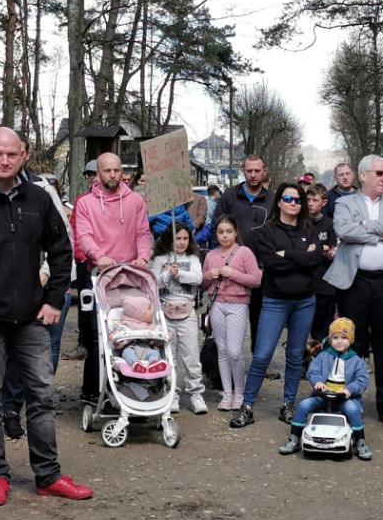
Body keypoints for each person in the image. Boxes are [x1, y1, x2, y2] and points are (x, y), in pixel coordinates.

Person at [0, 127, 92, 506]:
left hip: (32, 316)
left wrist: (54, 299)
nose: (4, 160)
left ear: (24, 155)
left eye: (12, 154)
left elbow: (62, 251)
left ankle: (48, 475)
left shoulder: (38, 198)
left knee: (41, 398)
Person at [324, 154, 383, 429]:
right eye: (380, 173)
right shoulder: (345, 202)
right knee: (352, 343)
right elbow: (343, 230)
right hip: (354, 282)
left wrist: (365, 226)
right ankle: (351, 401)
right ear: (364, 175)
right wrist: (381, 233)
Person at [229, 182, 323, 428]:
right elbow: (272, 264)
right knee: (261, 356)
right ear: (279, 201)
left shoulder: (310, 230)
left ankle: (288, 405)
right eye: (288, 199)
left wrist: (288, 254)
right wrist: (299, 256)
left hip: (305, 301)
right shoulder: (264, 232)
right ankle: (246, 407)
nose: (293, 203)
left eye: (298, 200)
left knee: (294, 356)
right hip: (274, 301)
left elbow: (316, 259)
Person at [73, 151, 153, 404]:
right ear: (98, 173)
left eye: (116, 170)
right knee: (98, 336)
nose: (112, 175)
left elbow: (143, 232)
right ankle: (93, 390)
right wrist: (98, 255)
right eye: (107, 170)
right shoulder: (85, 203)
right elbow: (83, 236)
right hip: (99, 274)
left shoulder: (135, 202)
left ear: (122, 172)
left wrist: (143, 256)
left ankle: (131, 389)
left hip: (129, 276)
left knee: (130, 333)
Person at [278, 317, 373, 460]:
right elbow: (313, 371)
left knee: (353, 411)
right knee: (303, 405)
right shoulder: (323, 356)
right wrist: (317, 382)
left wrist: (350, 390)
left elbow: (363, 379)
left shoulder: (357, 361)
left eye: (344, 338)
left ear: (351, 340)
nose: (339, 341)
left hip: (343, 397)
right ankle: (294, 438)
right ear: (330, 339)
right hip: (323, 394)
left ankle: (360, 441)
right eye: (335, 337)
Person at [212, 155, 275, 350]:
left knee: (259, 318)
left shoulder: (271, 200)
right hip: (230, 269)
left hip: (260, 270)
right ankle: (224, 363)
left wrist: (264, 266)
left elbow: (275, 237)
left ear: (264, 171)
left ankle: (259, 360)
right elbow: (217, 227)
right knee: (228, 318)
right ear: (244, 171)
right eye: (249, 171)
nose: (253, 175)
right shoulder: (230, 196)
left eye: (257, 171)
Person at [202, 215, 262, 410]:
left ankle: (240, 392)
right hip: (217, 303)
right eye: (220, 232)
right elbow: (202, 284)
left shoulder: (244, 253)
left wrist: (233, 274)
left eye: (228, 231)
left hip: (238, 305)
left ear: (236, 232)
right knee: (222, 349)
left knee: (235, 351)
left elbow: (255, 280)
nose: (224, 236)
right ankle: (227, 392)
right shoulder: (211, 256)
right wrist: (208, 277)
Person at [149, 221, 206, 413]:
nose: (181, 242)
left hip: (187, 310)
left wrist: (178, 273)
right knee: (168, 354)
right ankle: (171, 392)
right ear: (169, 239)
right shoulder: (158, 259)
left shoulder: (192, 259)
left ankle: (196, 394)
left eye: (185, 238)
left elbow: (198, 278)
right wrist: (166, 276)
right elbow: (153, 283)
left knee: (191, 354)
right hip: (165, 311)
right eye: (177, 238)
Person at [307, 183, 338, 343]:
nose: (310, 203)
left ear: (324, 202)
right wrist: (323, 249)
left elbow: (335, 252)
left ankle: (320, 357)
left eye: (315, 200)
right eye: (308, 199)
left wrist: (316, 249)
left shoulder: (330, 224)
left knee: (323, 329)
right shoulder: (301, 223)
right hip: (305, 283)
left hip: (326, 285)